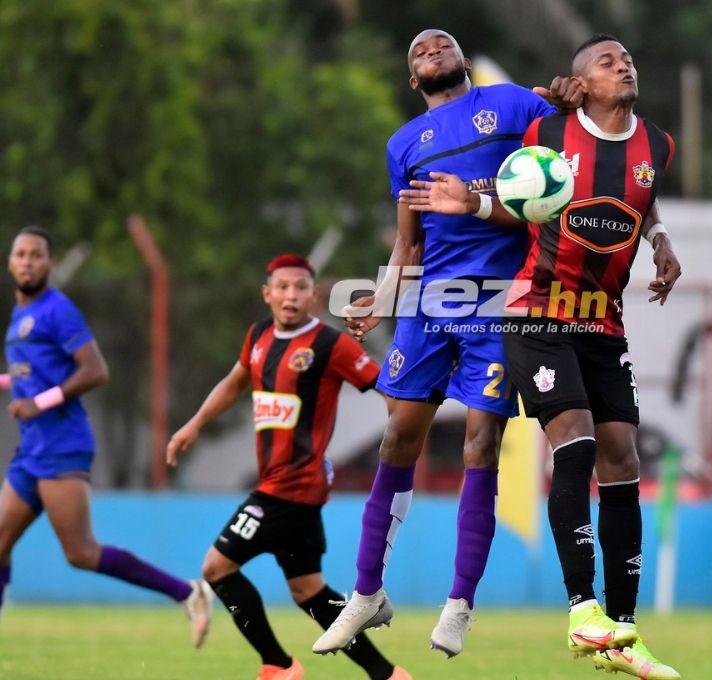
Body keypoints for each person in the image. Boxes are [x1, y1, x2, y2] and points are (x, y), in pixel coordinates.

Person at [395, 33, 683, 680]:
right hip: (538, 314)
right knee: (575, 442)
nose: (623, 64)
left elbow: (645, 196)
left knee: (624, 457)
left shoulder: (657, 144)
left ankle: (624, 630)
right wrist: (473, 203)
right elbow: (523, 205)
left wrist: (661, 240)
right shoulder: (549, 134)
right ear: (583, 81)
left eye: (627, 58)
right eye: (607, 61)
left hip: (602, 321)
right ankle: (582, 611)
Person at [312, 29, 581, 658]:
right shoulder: (403, 144)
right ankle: (366, 594)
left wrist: (565, 103)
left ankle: (459, 603)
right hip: (429, 303)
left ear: (462, 58)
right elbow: (409, 242)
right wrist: (380, 298)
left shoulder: (514, 105)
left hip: (499, 301)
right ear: (413, 79)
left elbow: (556, 188)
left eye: (443, 43)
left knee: (480, 442)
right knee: (396, 435)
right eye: (419, 51)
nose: (432, 48)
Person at [167, 254, 411, 680]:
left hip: (291, 488)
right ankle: (388, 675)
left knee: (215, 568)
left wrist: (403, 440)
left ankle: (278, 666)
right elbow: (234, 382)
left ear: (314, 296)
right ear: (268, 294)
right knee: (308, 591)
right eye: (282, 287)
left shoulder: (330, 345)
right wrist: (194, 425)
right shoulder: (258, 336)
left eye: (300, 287)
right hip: (286, 486)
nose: (290, 295)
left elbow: (386, 388)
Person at [0, 226, 212, 644]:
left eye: (36, 254)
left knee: (80, 553)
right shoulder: (20, 314)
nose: (27, 261)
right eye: (20, 254)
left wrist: (39, 403)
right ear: (10, 261)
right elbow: (32, 374)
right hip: (32, 448)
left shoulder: (56, 309)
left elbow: (96, 370)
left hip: (62, 445)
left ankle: (188, 592)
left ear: (51, 263)